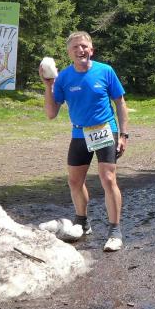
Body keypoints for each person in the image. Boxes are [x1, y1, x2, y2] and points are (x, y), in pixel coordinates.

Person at [40, 31, 129, 252]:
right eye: (75, 47)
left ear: (91, 50)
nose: (81, 50)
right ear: (69, 53)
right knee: (74, 181)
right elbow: (51, 113)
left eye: (84, 46)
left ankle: (115, 231)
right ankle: (82, 222)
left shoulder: (105, 71)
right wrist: (48, 85)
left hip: (105, 130)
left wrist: (124, 135)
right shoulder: (64, 78)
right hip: (80, 133)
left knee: (108, 178)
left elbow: (120, 103)